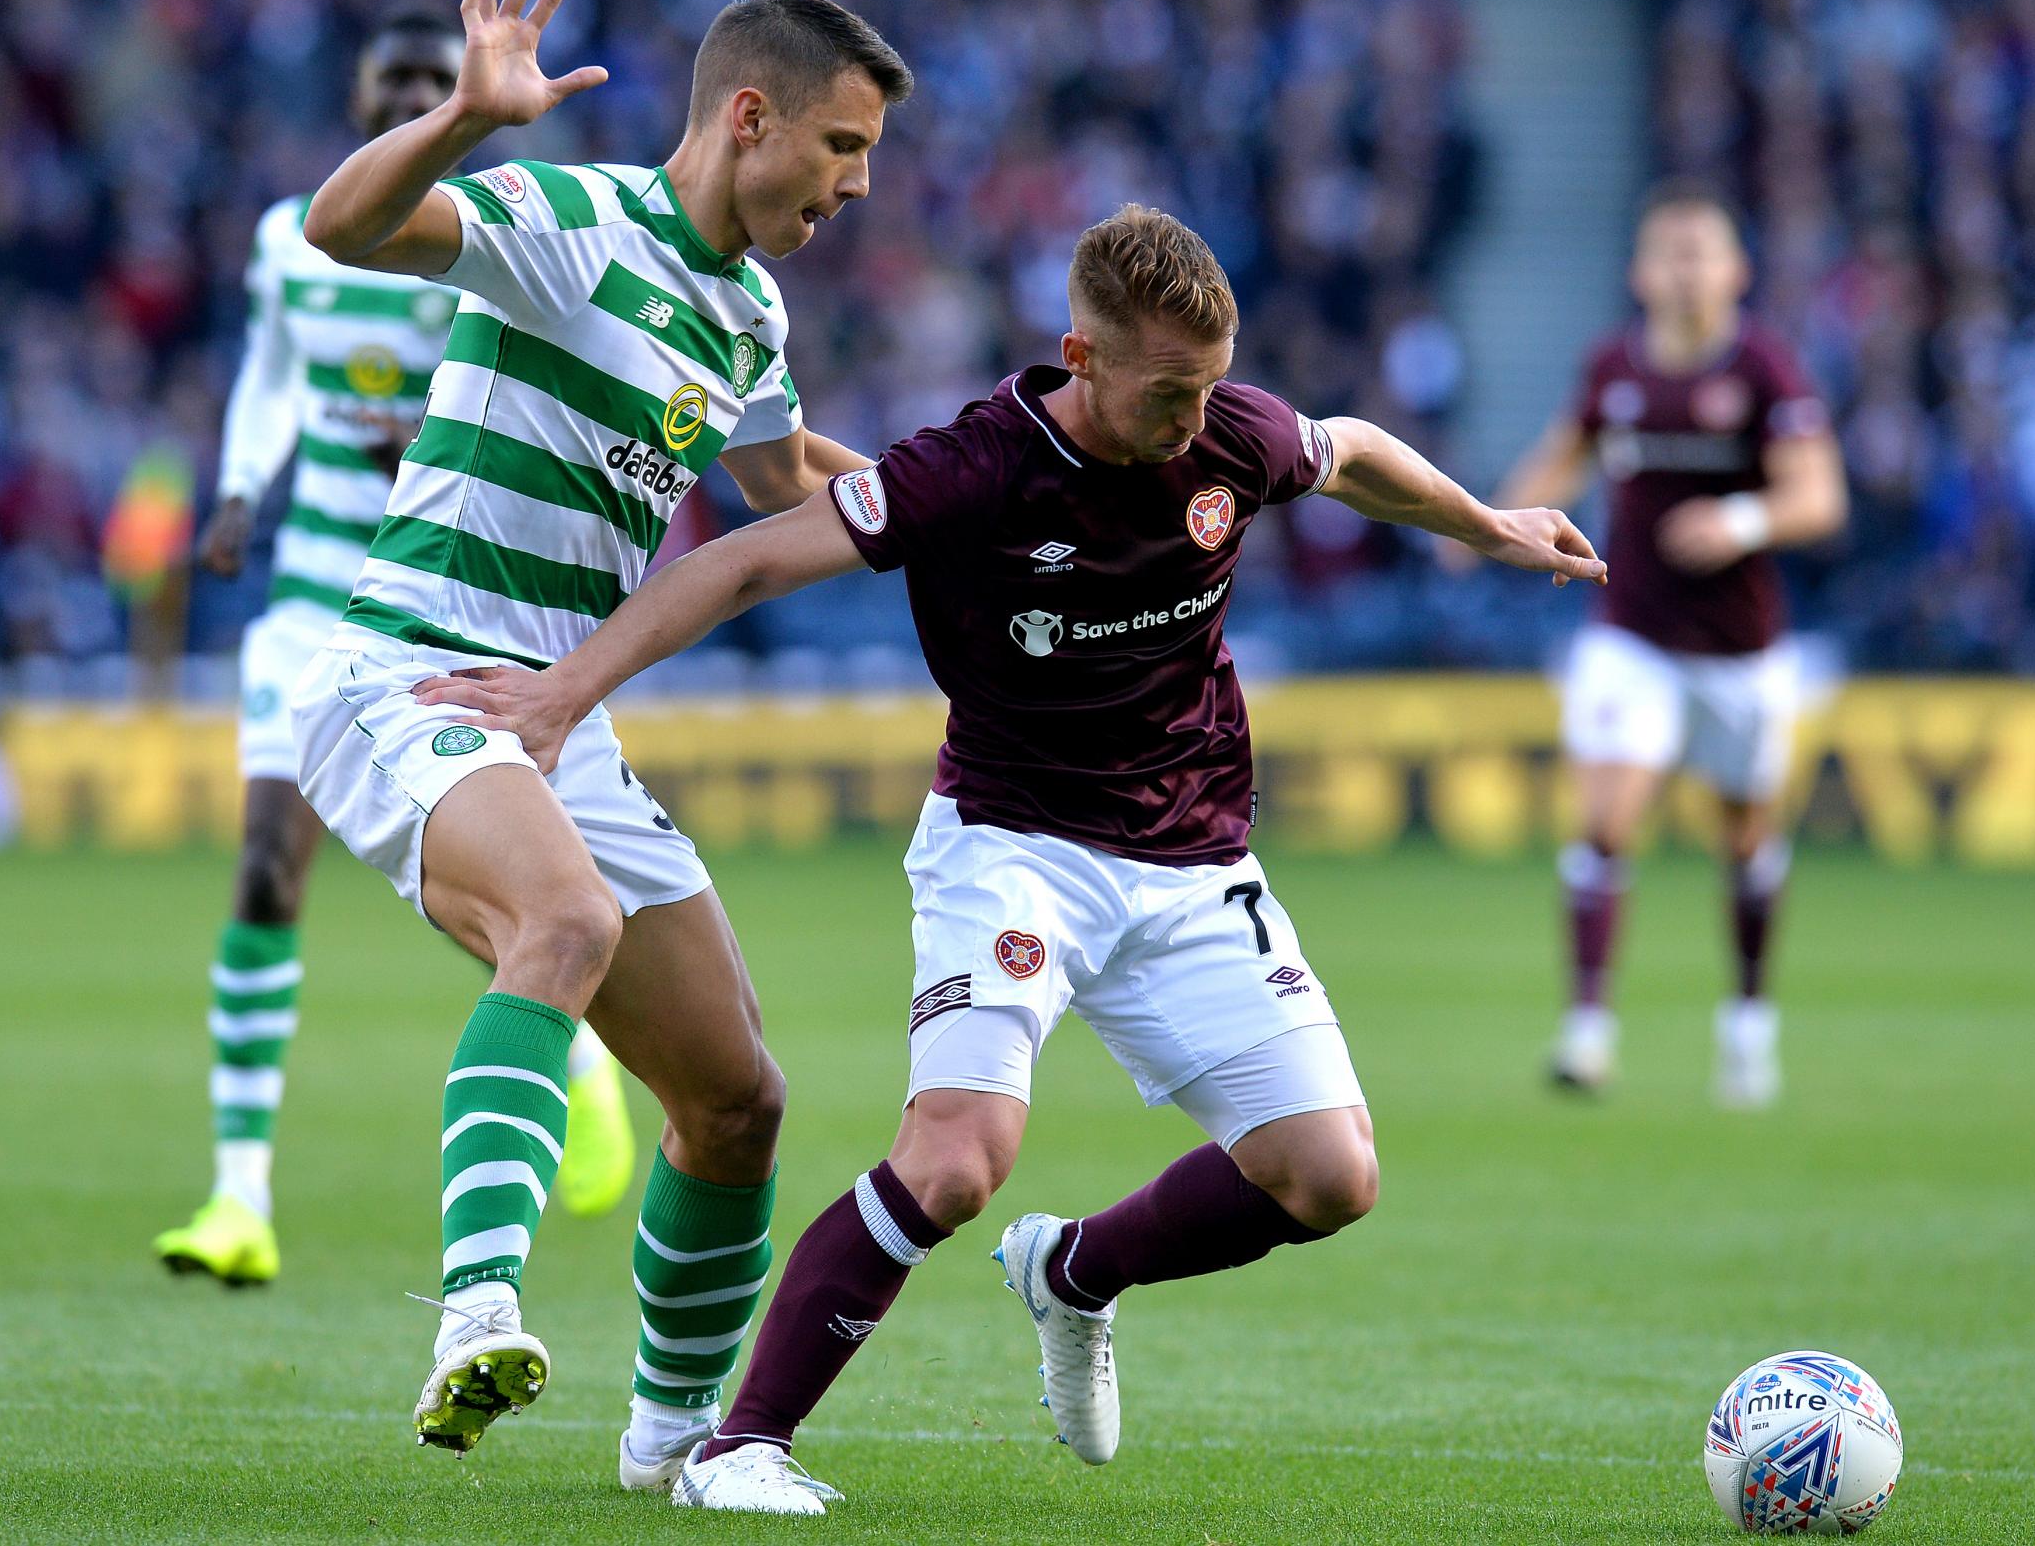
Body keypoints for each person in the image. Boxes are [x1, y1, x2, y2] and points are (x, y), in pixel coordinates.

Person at [418, 204, 1606, 1513]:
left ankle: (1078, 1275)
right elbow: (748, 563)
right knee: (956, 1159)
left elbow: (1352, 452)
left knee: (1330, 1177)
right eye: (1167, 392)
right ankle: (739, 1444)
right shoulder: (972, 470)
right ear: (1080, 357)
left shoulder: (1232, 432)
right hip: (1015, 850)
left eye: (1210, 389)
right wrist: (568, 688)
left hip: (1197, 857)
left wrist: (1489, 523)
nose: (1191, 421)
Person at [285, 0, 910, 1474]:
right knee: (563, 922)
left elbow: (778, 488)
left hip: (561, 718)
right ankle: (475, 1309)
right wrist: (463, 121)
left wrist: (995, 493)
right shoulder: (574, 220)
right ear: (750, 117)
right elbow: (343, 223)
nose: (859, 187)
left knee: (739, 1095)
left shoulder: (751, 315)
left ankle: (678, 1438)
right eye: (844, 148)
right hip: (417, 671)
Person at [155, 14, 643, 1291]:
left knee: (493, 888)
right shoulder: (293, 235)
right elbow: (269, 372)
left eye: (442, 78)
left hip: (437, 610)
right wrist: (239, 488)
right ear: (365, 90)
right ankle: (237, 1198)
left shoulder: (502, 250)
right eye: (404, 80)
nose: (424, 91)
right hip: (309, 590)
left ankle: (573, 1048)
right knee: (266, 869)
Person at [1492, 181, 1846, 1106]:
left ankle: (1747, 1021)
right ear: (1640, 272)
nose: (1687, 271)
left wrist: (1738, 519)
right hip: (1631, 636)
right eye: (1670, 253)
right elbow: (1561, 454)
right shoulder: (1614, 368)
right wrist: (1486, 525)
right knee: (1606, 821)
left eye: (1703, 253)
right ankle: (1588, 1029)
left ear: (1738, 271)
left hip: (1740, 652)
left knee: (1744, 839)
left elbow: (1820, 498)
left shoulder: (1766, 370)